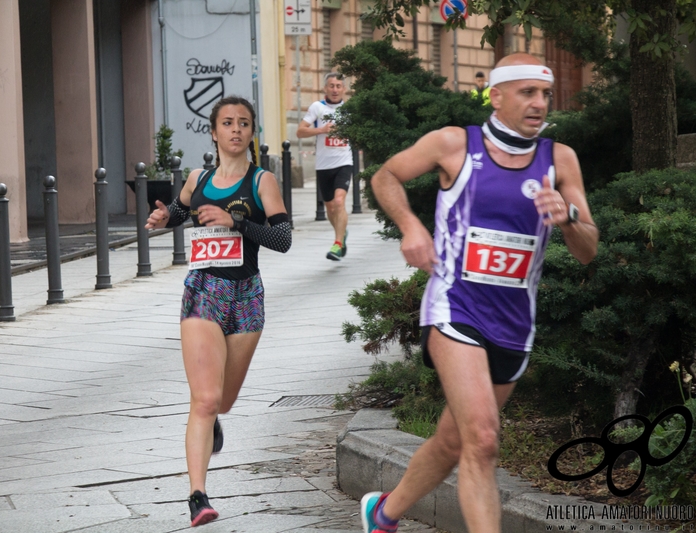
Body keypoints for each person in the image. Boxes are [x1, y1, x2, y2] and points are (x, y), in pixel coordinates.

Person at [360, 53, 599, 533]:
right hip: (455, 307)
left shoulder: (560, 159)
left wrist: (569, 218)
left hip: (515, 323)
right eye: (527, 93)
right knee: (484, 440)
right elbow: (384, 176)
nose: (539, 103)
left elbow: (588, 249)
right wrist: (411, 227)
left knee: (454, 442)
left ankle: (382, 513)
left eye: (545, 94)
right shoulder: (454, 144)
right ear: (496, 96)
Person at [145, 96, 291, 527]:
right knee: (205, 399)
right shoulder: (199, 178)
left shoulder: (262, 182)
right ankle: (197, 496)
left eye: (244, 123)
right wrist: (162, 218)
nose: (235, 130)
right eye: (227, 123)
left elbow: (283, 239)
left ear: (251, 132)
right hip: (203, 291)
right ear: (213, 132)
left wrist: (238, 223)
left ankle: (212, 426)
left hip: (246, 296)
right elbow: (179, 209)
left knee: (222, 401)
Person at [297, 72, 353, 261]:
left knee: (339, 202)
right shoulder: (317, 108)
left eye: (338, 86)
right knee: (330, 208)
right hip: (323, 165)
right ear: (325, 88)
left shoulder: (350, 110)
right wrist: (321, 129)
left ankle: (337, 244)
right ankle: (341, 233)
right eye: (331, 86)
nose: (335, 89)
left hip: (344, 162)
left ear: (344, 89)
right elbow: (300, 132)